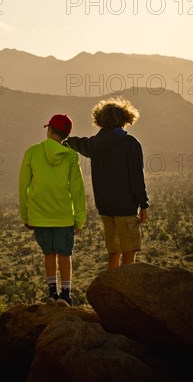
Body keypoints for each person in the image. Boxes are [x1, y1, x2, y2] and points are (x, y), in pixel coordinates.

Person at [65, 96, 149, 269]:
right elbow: (136, 178)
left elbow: (74, 143)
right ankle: (126, 287)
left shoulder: (93, 145)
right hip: (126, 208)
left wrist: (62, 140)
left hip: (105, 208)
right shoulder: (131, 144)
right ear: (126, 118)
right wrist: (143, 204)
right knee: (129, 250)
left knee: (114, 251)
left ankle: (112, 287)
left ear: (100, 119)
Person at [19, 114, 86, 305]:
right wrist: (79, 217)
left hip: (39, 215)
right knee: (65, 254)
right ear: (66, 135)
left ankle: (52, 293)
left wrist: (26, 215)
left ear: (49, 130)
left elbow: (23, 185)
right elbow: (77, 189)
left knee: (49, 253)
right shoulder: (71, 156)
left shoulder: (32, 152)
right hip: (64, 215)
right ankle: (66, 295)